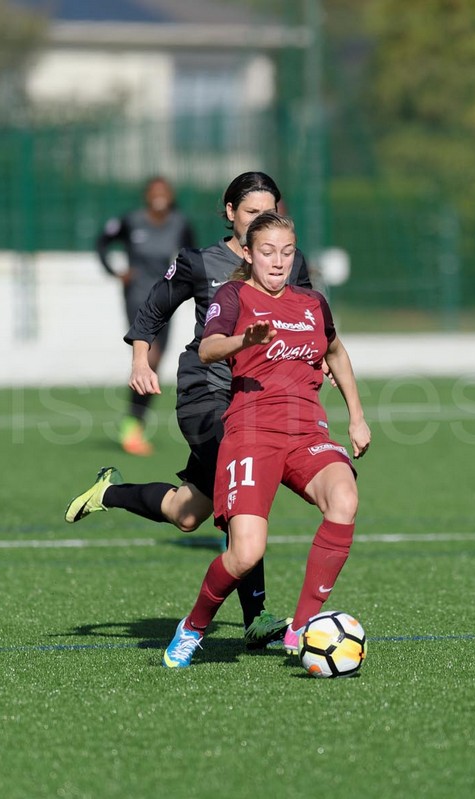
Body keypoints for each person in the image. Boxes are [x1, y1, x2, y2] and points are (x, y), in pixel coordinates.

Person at [66, 172, 310, 650]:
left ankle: (109, 492)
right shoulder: (200, 262)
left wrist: (316, 364)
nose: (260, 220)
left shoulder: (290, 262)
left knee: (186, 513)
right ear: (230, 213)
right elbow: (153, 310)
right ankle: (257, 617)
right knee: (244, 484)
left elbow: (307, 321)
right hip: (205, 394)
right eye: (251, 212)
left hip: (256, 398)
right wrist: (140, 361)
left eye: (268, 212)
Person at [161, 210, 370, 669]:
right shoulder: (234, 295)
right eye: (268, 252)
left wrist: (357, 417)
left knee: (344, 499)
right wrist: (244, 340)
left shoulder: (312, 303)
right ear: (249, 254)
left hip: (308, 431)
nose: (278, 262)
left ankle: (301, 628)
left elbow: (336, 351)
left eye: (287, 252)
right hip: (252, 432)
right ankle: (193, 627)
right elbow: (208, 348)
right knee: (245, 553)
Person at [95, 176, 197, 456]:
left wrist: (194, 290)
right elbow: (102, 242)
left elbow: (193, 257)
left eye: (164, 191)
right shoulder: (131, 221)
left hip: (166, 298)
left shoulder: (180, 223)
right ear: (147, 195)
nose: (159, 195)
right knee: (149, 358)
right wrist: (116, 272)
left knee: (156, 363)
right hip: (138, 298)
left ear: (171, 195)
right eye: (154, 191)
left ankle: (134, 423)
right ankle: (132, 427)